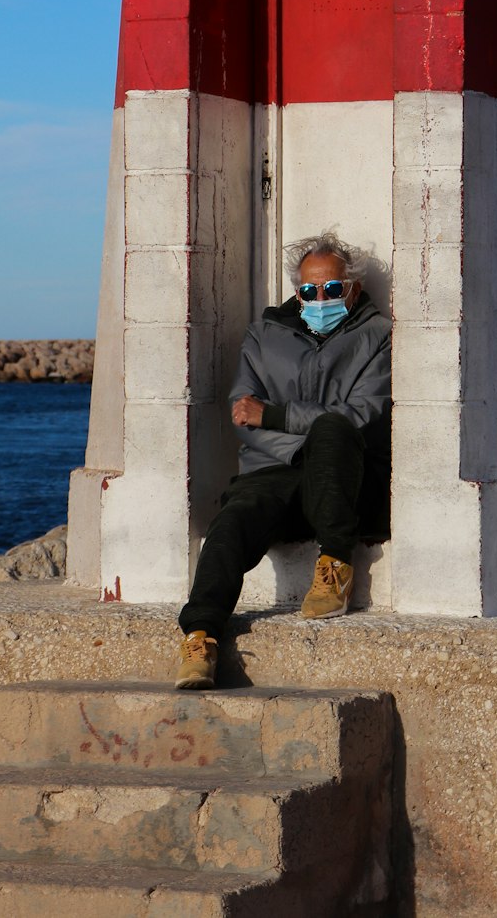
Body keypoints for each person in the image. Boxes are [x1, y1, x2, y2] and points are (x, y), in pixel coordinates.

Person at [174, 230, 392, 690]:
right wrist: (300, 443)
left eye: (332, 289)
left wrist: (276, 416)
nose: (320, 298)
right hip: (273, 473)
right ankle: (200, 636)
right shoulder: (263, 335)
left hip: (342, 481)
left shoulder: (378, 337)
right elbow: (241, 417)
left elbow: (358, 416)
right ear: (297, 291)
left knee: (335, 432)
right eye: (309, 290)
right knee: (231, 524)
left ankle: (334, 567)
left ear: (351, 288)